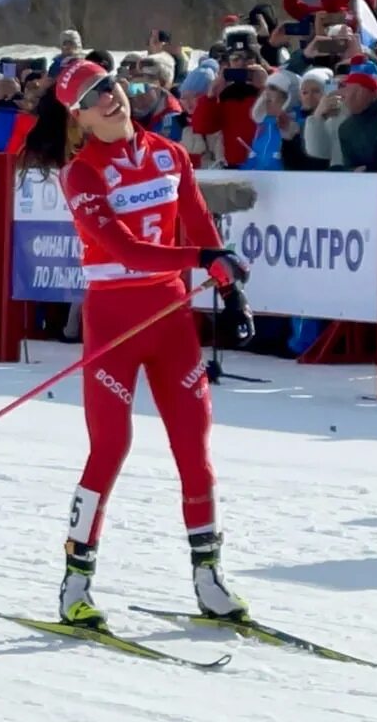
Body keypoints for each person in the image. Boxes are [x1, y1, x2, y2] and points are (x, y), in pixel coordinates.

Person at [17, 59, 255, 630]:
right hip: (115, 321)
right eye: (95, 95)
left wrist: (229, 289)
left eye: (112, 86)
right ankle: (76, 583)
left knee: (194, 447)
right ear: (78, 118)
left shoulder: (170, 154)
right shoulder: (82, 174)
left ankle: (209, 577)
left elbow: (198, 224)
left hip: (171, 318)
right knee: (110, 448)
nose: (111, 98)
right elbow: (125, 251)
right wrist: (204, 261)